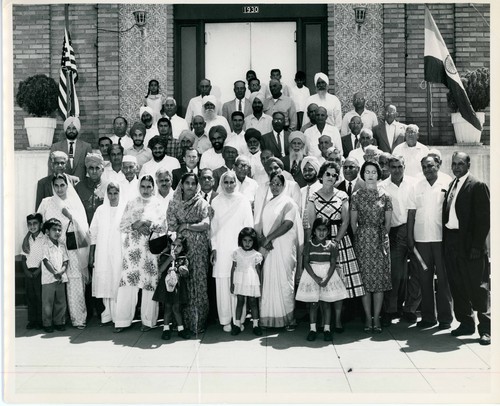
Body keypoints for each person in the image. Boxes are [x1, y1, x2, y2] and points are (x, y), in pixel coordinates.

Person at [305, 162, 365, 332]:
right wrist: (321, 243)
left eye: (334, 175)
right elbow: (311, 222)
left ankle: (337, 321)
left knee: (339, 283)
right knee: (322, 280)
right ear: (321, 176)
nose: (331, 178)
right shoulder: (313, 197)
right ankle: (324, 323)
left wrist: (336, 241)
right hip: (321, 240)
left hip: (340, 240)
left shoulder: (342, 195)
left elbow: (346, 220)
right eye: (328, 174)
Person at [442, 152, 490, 345]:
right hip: (452, 242)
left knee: (478, 287)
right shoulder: (453, 184)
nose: (456, 167)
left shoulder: (477, 185)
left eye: (460, 164)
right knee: (457, 284)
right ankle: (465, 323)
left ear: (468, 164)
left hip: (471, 245)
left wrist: (477, 246)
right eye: (454, 164)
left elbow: (484, 219)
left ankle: (486, 329)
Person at [114, 175, 165, 333]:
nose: (146, 190)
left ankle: (148, 321)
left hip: (149, 250)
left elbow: (163, 227)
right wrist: (136, 225)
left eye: (149, 187)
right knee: (128, 283)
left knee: (149, 284)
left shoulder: (158, 204)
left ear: (153, 187)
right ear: (139, 187)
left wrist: (149, 224)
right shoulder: (132, 203)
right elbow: (122, 225)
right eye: (143, 186)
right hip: (132, 250)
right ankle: (122, 321)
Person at [407, 155, 453, 330]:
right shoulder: (416, 186)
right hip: (422, 241)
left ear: (438, 165)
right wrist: (410, 238)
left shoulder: (447, 182)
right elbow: (411, 213)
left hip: (441, 239)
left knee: (443, 279)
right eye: (424, 167)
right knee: (424, 279)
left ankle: (446, 318)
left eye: (430, 166)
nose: (427, 169)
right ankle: (428, 317)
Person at [38, 174, 90, 329]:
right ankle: (58, 320)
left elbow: (84, 227)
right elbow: (39, 224)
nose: (59, 189)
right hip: (53, 249)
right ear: (53, 187)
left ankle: (78, 319)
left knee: (75, 282)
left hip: (72, 248)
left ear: (68, 186)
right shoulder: (46, 202)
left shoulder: (74, 202)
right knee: (55, 282)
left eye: (62, 185)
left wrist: (70, 215)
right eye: (57, 186)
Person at [350, 161, 392, 333]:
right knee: (366, 283)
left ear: (378, 174)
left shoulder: (385, 196)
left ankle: (377, 319)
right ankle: (368, 318)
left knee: (379, 282)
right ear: (363, 174)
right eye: (367, 172)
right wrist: (362, 237)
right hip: (363, 242)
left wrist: (380, 237)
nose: (370, 175)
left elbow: (388, 224)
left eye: (373, 172)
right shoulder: (357, 196)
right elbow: (353, 223)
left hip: (380, 241)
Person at [167, 173, 211, 334]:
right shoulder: (173, 203)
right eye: (187, 183)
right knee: (181, 284)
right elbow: (171, 227)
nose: (190, 186)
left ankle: (197, 323)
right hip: (180, 249)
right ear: (182, 184)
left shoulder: (201, 203)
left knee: (198, 284)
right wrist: (178, 240)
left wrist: (186, 225)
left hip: (199, 250)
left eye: (193, 183)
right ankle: (180, 323)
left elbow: (206, 224)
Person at [210, 171, 254, 332]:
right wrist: (214, 247)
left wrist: (246, 248)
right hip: (221, 248)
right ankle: (225, 320)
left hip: (239, 248)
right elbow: (212, 229)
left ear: (236, 183)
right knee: (223, 285)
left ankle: (239, 320)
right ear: (222, 183)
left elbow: (249, 226)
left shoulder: (243, 201)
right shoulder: (215, 201)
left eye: (231, 182)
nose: (229, 186)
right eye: (226, 182)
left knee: (238, 284)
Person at [258, 173, 303, 328]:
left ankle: (288, 320)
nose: (275, 187)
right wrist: (265, 239)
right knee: (269, 281)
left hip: (284, 247)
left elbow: (288, 224)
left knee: (284, 282)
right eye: (272, 183)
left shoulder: (289, 203)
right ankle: (268, 319)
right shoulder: (269, 202)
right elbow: (264, 224)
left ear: (284, 186)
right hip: (270, 248)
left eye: (278, 184)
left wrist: (268, 238)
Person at [379, 156, 417, 326]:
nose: (396, 170)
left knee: (413, 273)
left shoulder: (412, 184)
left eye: (399, 166)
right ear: (388, 167)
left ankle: (408, 308)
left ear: (404, 166)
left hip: (414, 229)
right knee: (395, 274)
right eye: (393, 167)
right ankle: (390, 309)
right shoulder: (382, 186)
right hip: (393, 232)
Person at [296, 217, 348, 341]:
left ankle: (327, 329)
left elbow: (333, 264)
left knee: (326, 304)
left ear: (328, 232)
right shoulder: (309, 245)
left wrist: (326, 279)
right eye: (319, 229)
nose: (321, 232)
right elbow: (306, 263)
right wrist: (315, 277)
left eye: (324, 230)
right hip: (312, 276)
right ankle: (313, 329)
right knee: (313, 304)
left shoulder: (332, 246)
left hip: (327, 277)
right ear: (314, 231)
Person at [88, 182, 126, 325]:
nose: (112, 196)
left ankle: (118, 315)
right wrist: (92, 254)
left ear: (119, 193)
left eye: (115, 193)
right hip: (103, 251)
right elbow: (94, 233)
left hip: (119, 251)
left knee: (117, 280)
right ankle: (107, 314)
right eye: (110, 193)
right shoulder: (100, 210)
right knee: (105, 281)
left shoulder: (124, 209)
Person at [153, 236, 191, 340]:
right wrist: (170, 259)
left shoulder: (183, 258)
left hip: (177, 288)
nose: (176, 248)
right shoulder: (165, 256)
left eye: (179, 246)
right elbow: (161, 270)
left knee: (176, 308)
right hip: (166, 286)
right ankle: (166, 329)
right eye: (174, 245)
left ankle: (181, 329)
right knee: (168, 307)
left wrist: (183, 270)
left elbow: (186, 273)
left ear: (182, 248)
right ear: (170, 245)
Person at [230, 227, 264, 336]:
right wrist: (232, 283)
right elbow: (233, 268)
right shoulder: (236, 252)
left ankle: (255, 325)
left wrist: (260, 285)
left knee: (253, 302)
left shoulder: (256, 254)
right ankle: (237, 325)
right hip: (239, 280)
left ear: (253, 242)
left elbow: (258, 271)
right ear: (241, 240)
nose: (247, 243)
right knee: (240, 302)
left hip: (252, 280)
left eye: (250, 241)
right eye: (245, 240)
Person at [40, 218, 69, 333]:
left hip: (61, 278)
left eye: (59, 230)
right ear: (47, 231)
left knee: (61, 302)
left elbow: (65, 261)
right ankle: (47, 323)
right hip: (48, 279)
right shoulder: (45, 245)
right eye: (54, 230)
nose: (57, 232)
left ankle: (59, 322)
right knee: (47, 303)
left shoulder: (61, 246)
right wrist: (54, 273)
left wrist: (61, 272)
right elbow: (46, 261)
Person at [49, 117, 93, 181]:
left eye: (74, 128)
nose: (71, 131)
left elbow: (90, 168)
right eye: (69, 128)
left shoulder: (86, 147)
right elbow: (51, 169)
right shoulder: (56, 147)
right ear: (65, 130)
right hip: (61, 184)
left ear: (77, 130)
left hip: (81, 185)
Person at [21, 213, 45, 330]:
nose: (32, 226)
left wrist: (39, 271)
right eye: (29, 224)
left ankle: (40, 320)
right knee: (30, 297)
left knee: (40, 297)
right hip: (29, 272)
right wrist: (26, 271)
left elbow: (46, 258)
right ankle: (32, 320)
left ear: (40, 224)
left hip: (40, 271)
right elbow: (23, 258)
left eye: (35, 223)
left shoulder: (44, 239)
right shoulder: (27, 240)